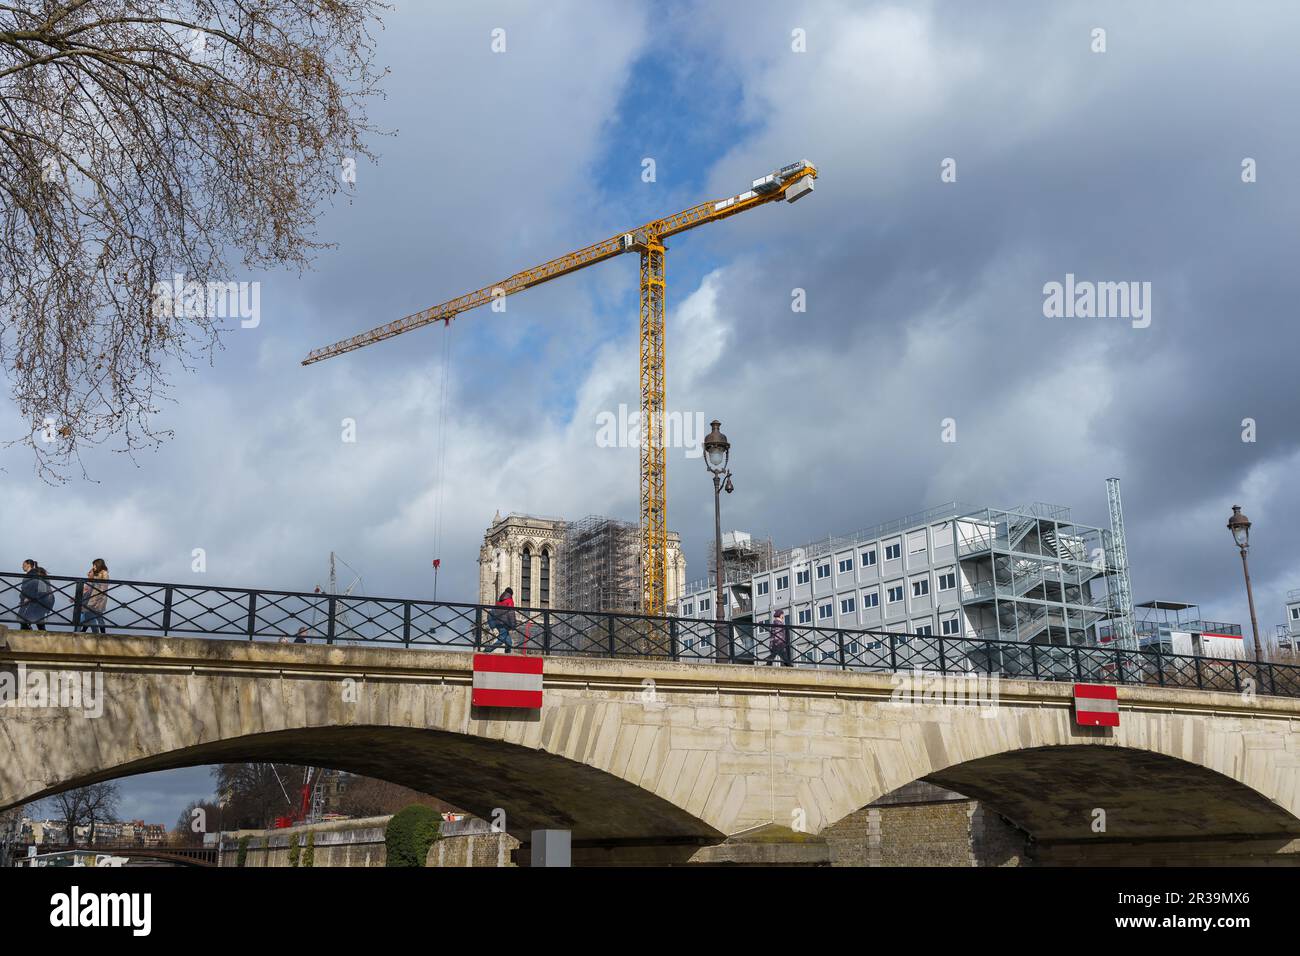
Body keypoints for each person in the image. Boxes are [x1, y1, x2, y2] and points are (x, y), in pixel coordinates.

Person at [18, 561, 55, 631]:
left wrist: (28, 598)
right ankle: (43, 635)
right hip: (42, 602)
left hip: (36, 601)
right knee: (39, 620)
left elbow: (31, 588)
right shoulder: (40, 576)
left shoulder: (33, 575)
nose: (22, 566)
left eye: (23, 565)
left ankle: (27, 633)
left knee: (23, 619)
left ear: (29, 565)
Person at [76, 559, 110, 634]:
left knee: (97, 616)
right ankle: (86, 630)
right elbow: (90, 576)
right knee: (91, 615)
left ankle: (102, 633)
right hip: (94, 596)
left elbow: (104, 587)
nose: (93, 567)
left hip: (99, 598)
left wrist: (98, 598)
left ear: (98, 564)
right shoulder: (98, 573)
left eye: (94, 565)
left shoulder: (104, 573)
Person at [483, 587, 517, 653]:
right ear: (511, 594)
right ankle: (487, 650)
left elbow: (493, 612)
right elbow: (511, 613)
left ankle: (508, 653)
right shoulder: (509, 601)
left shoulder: (499, 600)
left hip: (497, 622)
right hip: (504, 623)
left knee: (508, 641)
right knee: (502, 639)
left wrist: (493, 626)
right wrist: (513, 625)